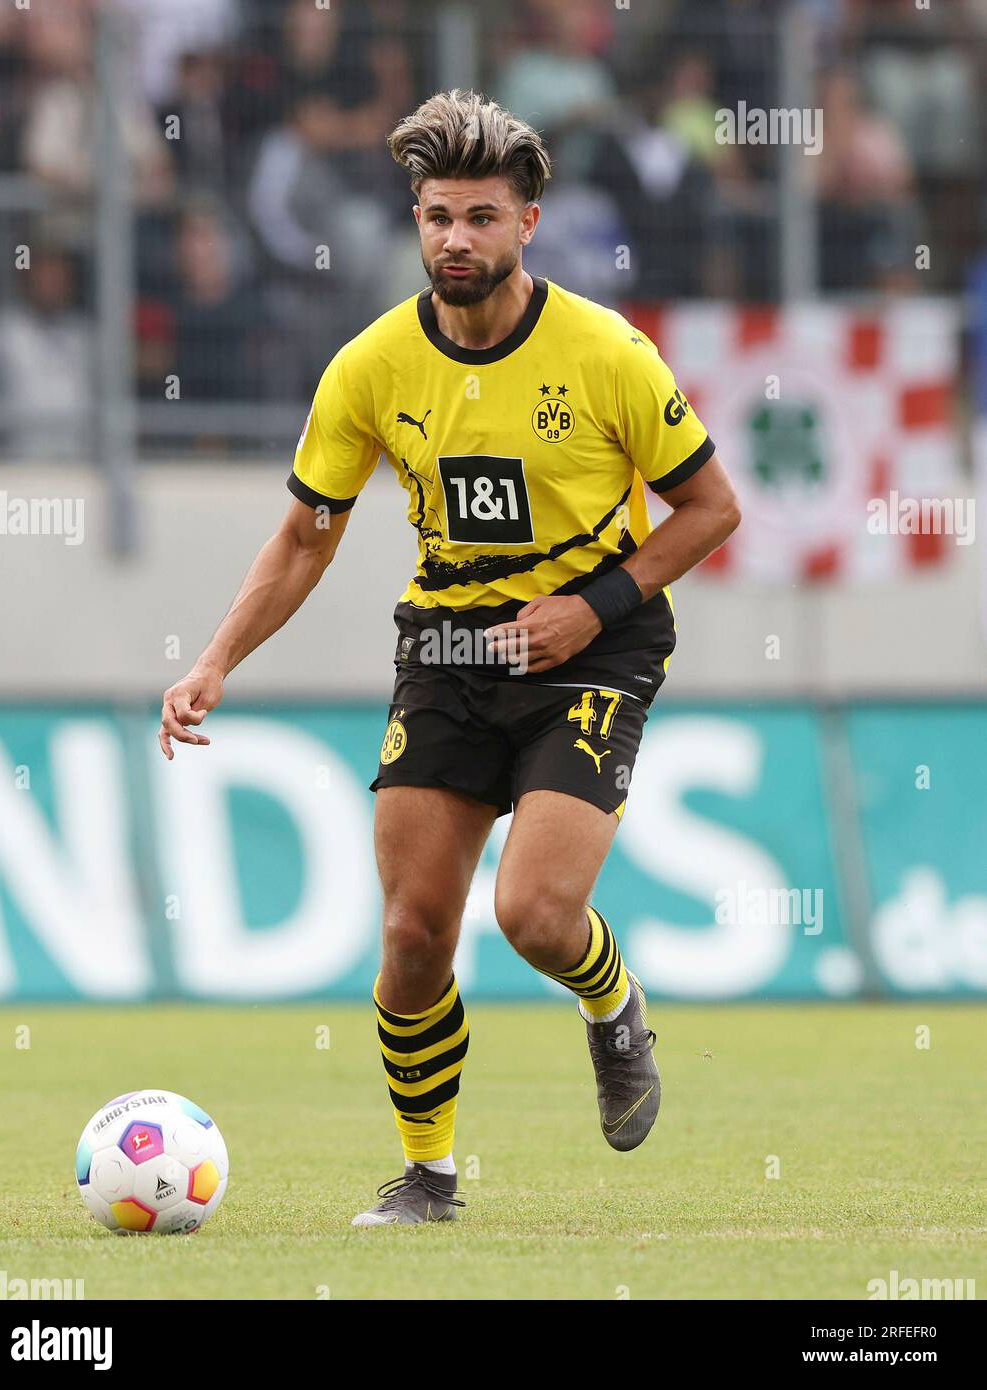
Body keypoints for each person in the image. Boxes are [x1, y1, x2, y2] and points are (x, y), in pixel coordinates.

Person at [158, 89, 741, 1227]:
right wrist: (216, 657)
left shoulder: (608, 353)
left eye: (481, 216)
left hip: (590, 646)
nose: (456, 240)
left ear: (530, 222)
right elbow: (303, 536)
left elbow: (711, 507)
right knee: (415, 934)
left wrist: (593, 604)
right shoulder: (370, 366)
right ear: (414, 221)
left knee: (533, 916)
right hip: (448, 648)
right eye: (436, 217)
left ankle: (611, 1008)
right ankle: (429, 1177)